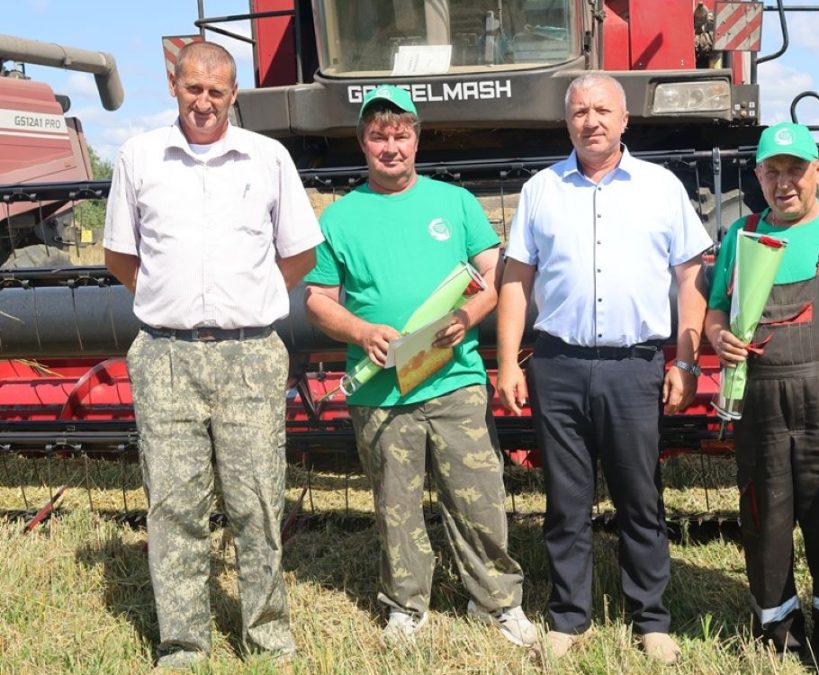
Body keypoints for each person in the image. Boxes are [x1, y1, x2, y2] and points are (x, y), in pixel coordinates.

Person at [103, 41, 323, 669]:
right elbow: (121, 256)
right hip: (165, 354)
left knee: (257, 500)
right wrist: (167, 297)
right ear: (174, 85)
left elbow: (301, 253)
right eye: (193, 88)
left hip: (251, 354)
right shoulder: (139, 156)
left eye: (217, 91)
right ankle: (183, 644)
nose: (204, 101)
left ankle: (268, 637)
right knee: (174, 505)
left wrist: (252, 297)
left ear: (233, 94)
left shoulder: (268, 157)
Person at [303, 85, 536, 647]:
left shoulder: (453, 203)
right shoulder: (339, 218)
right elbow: (317, 301)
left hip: (453, 379)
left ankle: (498, 602)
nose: (391, 146)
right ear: (363, 142)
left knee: (478, 495)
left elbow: (494, 274)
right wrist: (361, 331)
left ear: (416, 137)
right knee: (395, 505)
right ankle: (406, 604)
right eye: (379, 136)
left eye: (400, 134)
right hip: (382, 388)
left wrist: (468, 312)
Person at [497, 72, 711, 666]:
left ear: (624, 121)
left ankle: (652, 618)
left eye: (602, 110)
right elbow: (517, 280)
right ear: (567, 122)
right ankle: (570, 616)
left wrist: (686, 360)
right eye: (579, 111)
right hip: (558, 365)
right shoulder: (542, 189)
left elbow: (692, 276)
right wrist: (509, 361)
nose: (591, 120)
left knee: (640, 496)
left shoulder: (661, 188)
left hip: (633, 366)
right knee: (566, 501)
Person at [704, 122, 819, 673]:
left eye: (796, 170)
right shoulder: (741, 235)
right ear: (758, 175)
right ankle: (778, 631)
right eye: (772, 171)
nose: (784, 183)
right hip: (760, 401)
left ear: (818, 173)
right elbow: (717, 309)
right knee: (764, 518)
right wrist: (718, 336)